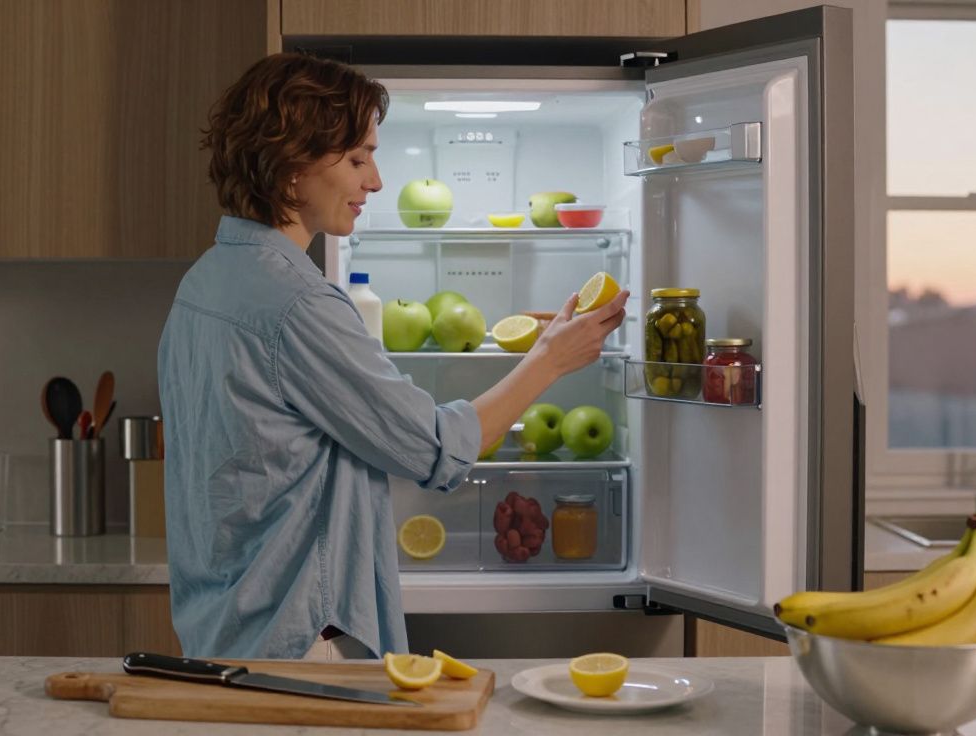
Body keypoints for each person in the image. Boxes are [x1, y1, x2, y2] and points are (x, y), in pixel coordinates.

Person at [158, 53, 629, 660]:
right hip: (295, 644)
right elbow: (434, 447)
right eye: (357, 159)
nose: (374, 182)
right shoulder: (296, 304)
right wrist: (550, 360)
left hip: (217, 627)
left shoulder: (204, 282)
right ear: (291, 168)